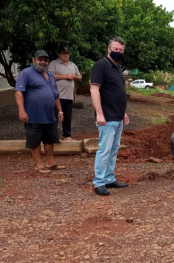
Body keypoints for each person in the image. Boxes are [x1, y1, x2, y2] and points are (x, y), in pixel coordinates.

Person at [15, 50, 66, 173]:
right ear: (34, 60)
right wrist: (21, 111)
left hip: (50, 114)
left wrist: (60, 111)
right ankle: (39, 164)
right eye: (40, 59)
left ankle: (50, 162)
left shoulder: (50, 74)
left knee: (50, 139)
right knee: (35, 139)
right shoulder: (26, 73)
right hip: (33, 114)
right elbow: (18, 92)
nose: (43, 62)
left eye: (45, 60)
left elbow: (56, 94)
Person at [90, 37, 130, 196]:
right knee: (104, 150)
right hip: (106, 118)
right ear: (109, 49)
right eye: (115, 49)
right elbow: (94, 90)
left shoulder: (117, 67)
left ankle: (108, 178)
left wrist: (123, 112)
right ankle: (99, 182)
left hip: (118, 116)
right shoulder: (101, 66)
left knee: (113, 150)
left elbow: (117, 91)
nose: (118, 52)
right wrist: (99, 113)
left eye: (121, 50)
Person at [48, 46, 82, 141]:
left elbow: (80, 77)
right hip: (56, 96)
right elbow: (50, 76)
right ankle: (53, 137)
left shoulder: (73, 65)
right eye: (63, 53)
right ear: (59, 54)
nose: (65, 55)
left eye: (67, 53)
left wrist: (74, 76)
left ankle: (67, 136)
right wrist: (65, 76)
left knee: (67, 117)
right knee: (54, 117)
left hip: (69, 96)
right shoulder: (53, 63)